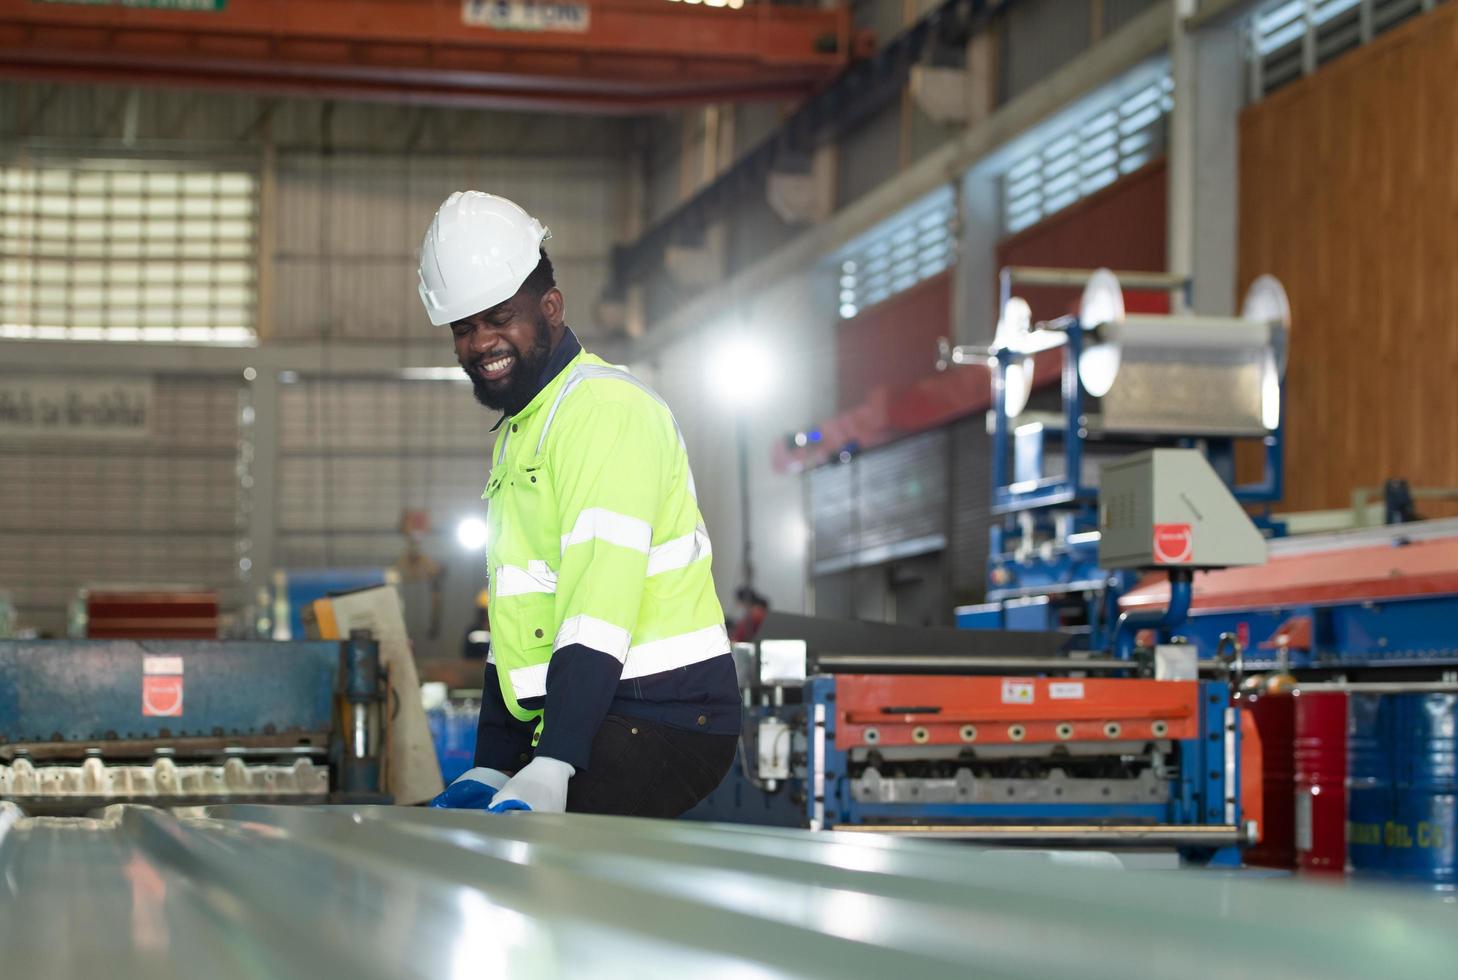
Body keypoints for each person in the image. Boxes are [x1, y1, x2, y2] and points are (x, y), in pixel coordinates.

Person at [420, 192, 740, 817]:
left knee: (533, 871)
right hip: (601, 714)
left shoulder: (602, 411)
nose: (482, 342)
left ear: (552, 308)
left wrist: (556, 760)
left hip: (668, 716)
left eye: (499, 318)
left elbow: (599, 599)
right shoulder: (524, 430)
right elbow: (516, 622)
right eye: (464, 327)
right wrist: (493, 758)